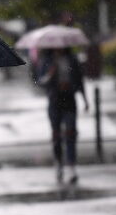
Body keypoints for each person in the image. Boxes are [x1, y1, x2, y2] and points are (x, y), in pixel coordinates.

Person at [38, 47, 89, 183]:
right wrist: (50, 74)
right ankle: (59, 163)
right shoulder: (47, 60)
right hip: (54, 101)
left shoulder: (72, 59)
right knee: (56, 136)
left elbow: (79, 79)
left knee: (70, 133)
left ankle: (71, 166)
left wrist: (85, 99)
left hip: (69, 100)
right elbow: (41, 81)